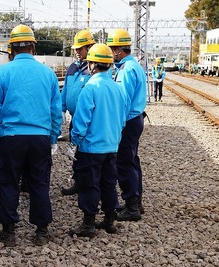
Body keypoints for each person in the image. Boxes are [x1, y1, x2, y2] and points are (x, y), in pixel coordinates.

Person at [0, 24, 62, 247]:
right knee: (39, 183)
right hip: (40, 138)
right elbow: (55, 110)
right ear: (33, 47)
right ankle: (41, 231)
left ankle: (8, 232)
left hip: (11, 138)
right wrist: (54, 137)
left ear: (11, 49)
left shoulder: (2, 72)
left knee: (8, 183)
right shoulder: (47, 73)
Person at [66, 44, 127, 237]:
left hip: (91, 148)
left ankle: (88, 224)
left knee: (89, 184)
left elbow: (81, 121)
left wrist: (74, 141)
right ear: (109, 65)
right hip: (111, 146)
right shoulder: (118, 89)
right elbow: (123, 119)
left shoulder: (90, 87)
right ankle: (109, 221)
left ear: (92, 64)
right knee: (109, 183)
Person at [107, 28, 147, 221]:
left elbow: (124, 100)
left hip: (129, 121)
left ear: (119, 50)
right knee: (132, 160)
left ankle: (132, 206)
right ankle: (136, 201)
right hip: (136, 118)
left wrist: (117, 124)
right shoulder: (134, 66)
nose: (111, 53)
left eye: (112, 48)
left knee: (124, 162)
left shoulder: (127, 69)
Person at [60, 29, 96, 196]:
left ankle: (89, 184)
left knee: (86, 152)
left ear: (89, 47)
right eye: (76, 49)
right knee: (75, 151)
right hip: (75, 118)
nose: (77, 52)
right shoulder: (73, 67)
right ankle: (78, 181)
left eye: (80, 48)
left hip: (90, 119)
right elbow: (66, 88)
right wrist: (62, 108)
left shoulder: (96, 68)